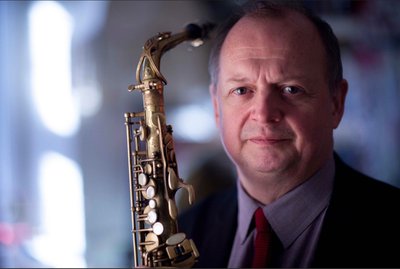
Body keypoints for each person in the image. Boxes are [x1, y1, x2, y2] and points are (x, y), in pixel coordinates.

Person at [178, 0, 400, 268]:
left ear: (336, 103)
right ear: (217, 107)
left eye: (291, 89)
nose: (263, 112)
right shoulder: (186, 231)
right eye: (241, 90)